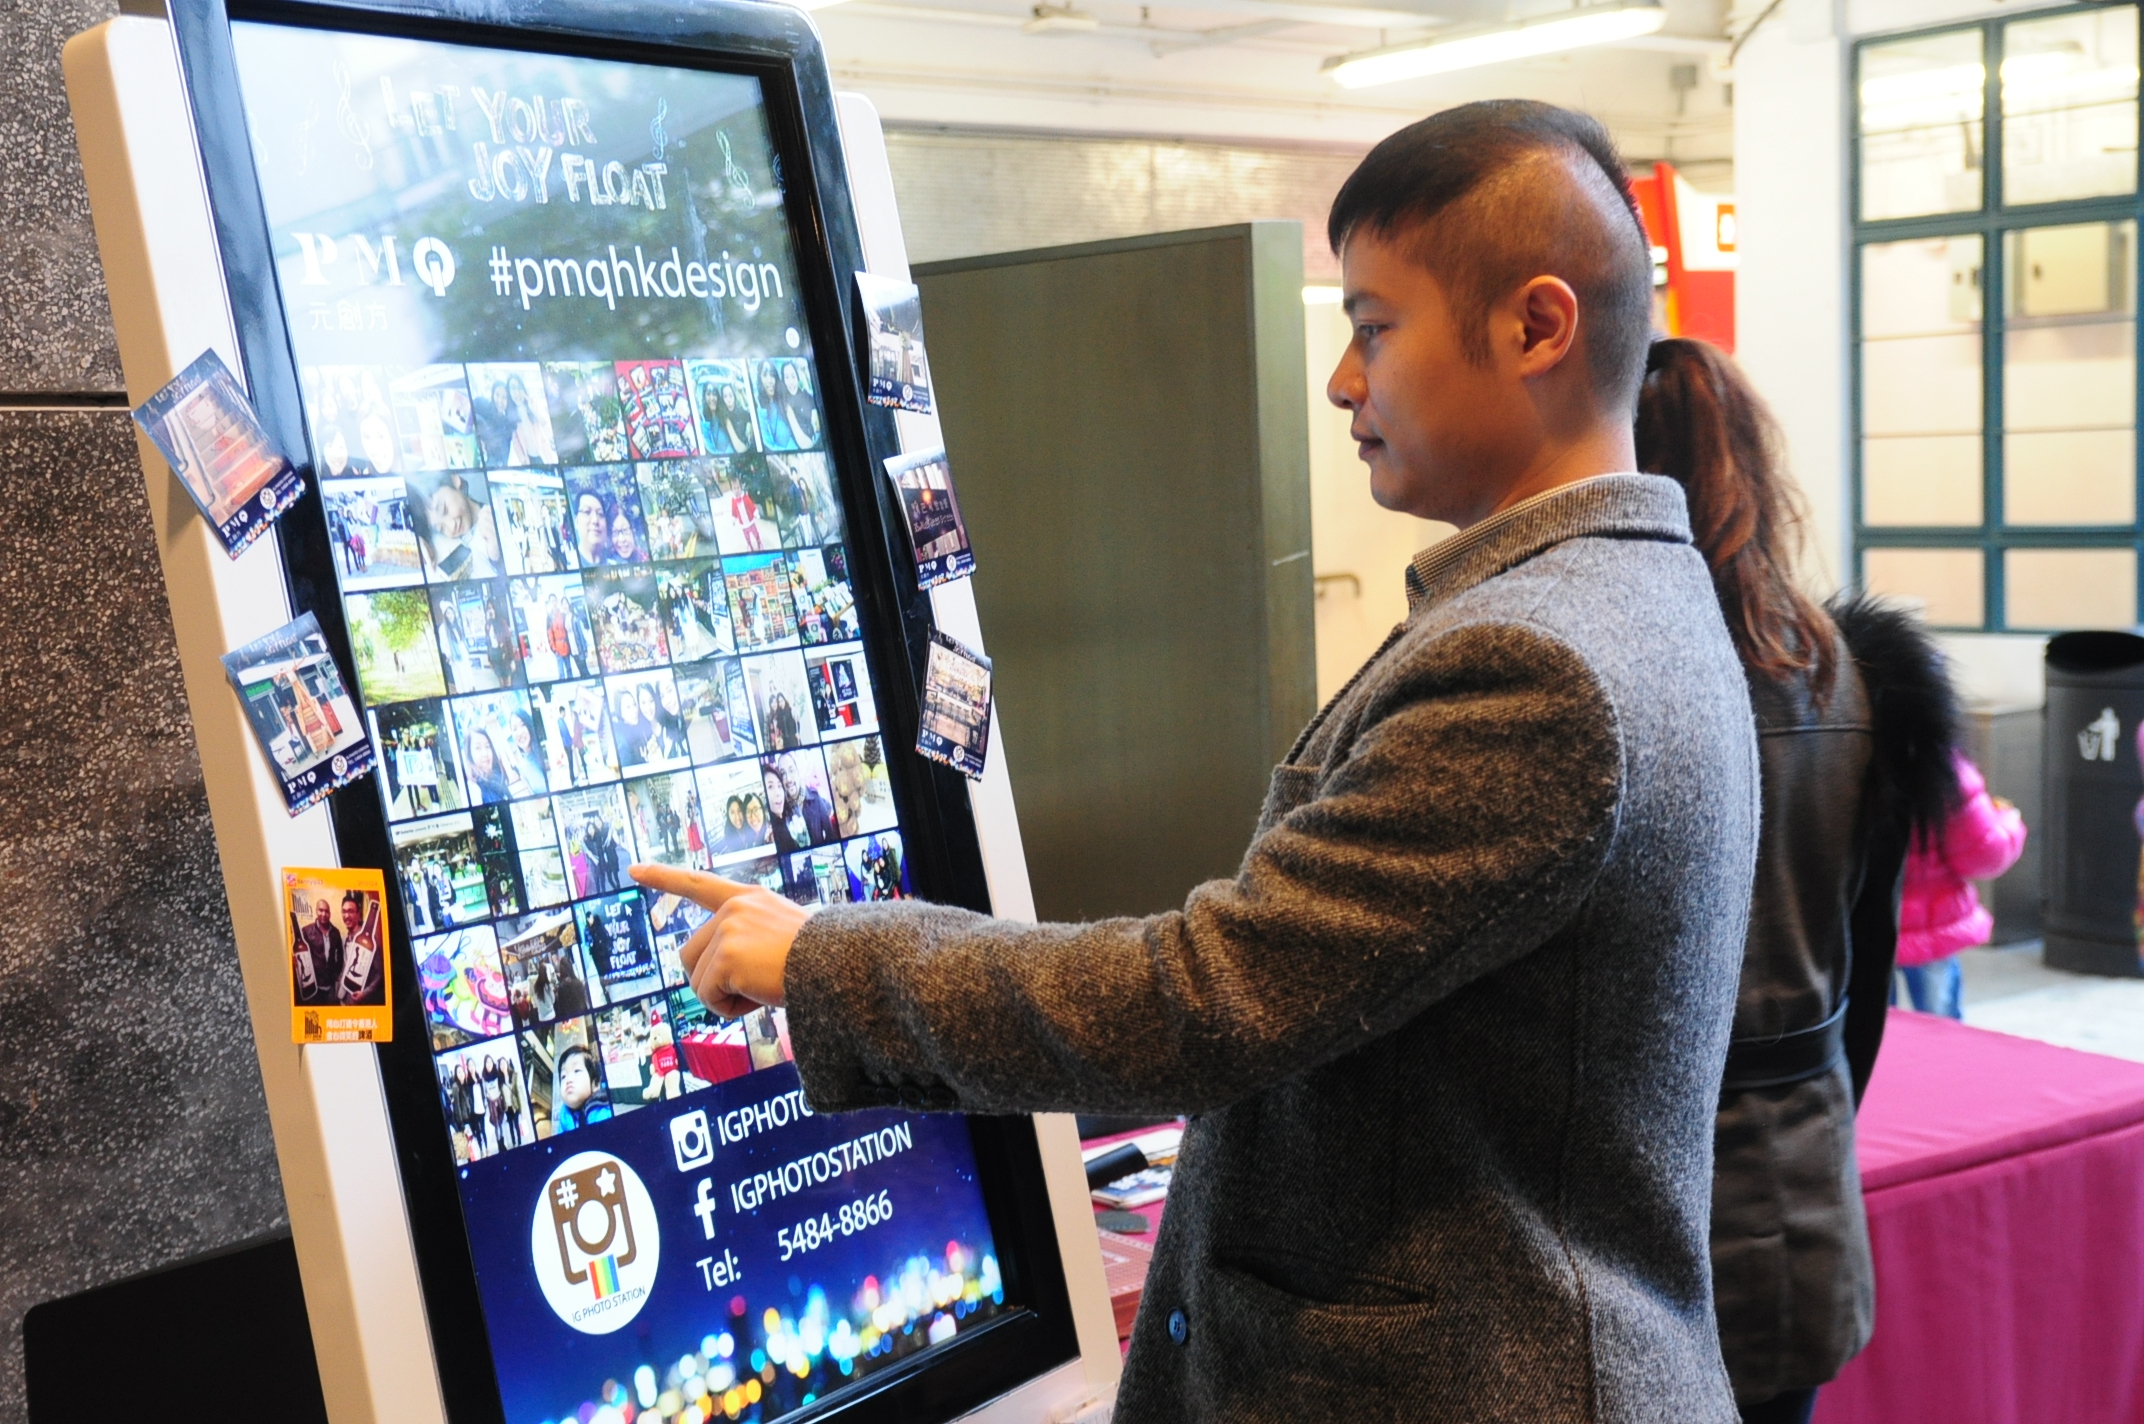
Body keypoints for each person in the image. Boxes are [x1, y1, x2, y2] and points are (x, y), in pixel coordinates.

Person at [637, 101, 1761, 1423]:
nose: (1341, 380)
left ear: (1536, 327)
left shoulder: (1532, 668)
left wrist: (828, 959)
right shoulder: (1634, 601)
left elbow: (1203, 999)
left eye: (1372, 327)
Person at [1636, 336, 1965, 1424]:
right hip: (1794, 1196)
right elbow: (1863, 980)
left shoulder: (1601, 678)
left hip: (1629, 1215)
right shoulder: (1841, 673)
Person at [1893, 753, 2027, 1019]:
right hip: (1932, 929)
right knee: (1941, 1027)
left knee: (1868, 1030)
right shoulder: (1946, 770)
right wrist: (2008, 820)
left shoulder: (1840, 761)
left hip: (1863, 925)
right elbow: (1984, 853)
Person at [551, 1043, 612, 1133]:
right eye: (563, 1076)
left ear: (595, 1084)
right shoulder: (563, 1121)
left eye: (577, 1071)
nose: (568, 1080)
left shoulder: (603, 1113)